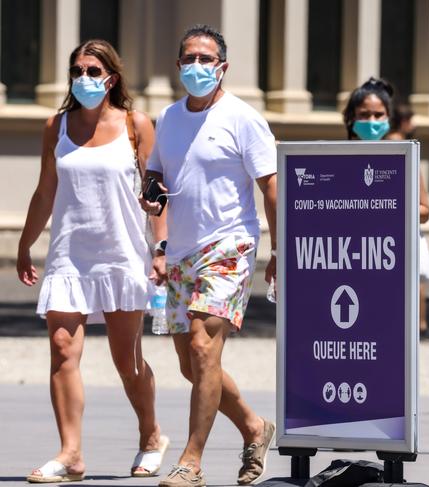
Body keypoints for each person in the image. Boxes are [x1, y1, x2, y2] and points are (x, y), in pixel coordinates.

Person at [16, 39, 167, 482]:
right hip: (69, 256)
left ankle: (151, 435)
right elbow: (46, 191)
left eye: (92, 71)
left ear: (111, 78)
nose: (84, 78)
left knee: (128, 360)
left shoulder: (136, 124)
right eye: (77, 71)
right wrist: (25, 244)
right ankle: (71, 454)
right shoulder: (56, 126)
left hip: (120, 255)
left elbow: (157, 194)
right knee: (63, 351)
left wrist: (160, 249)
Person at [140, 25, 277, 487]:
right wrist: (157, 230)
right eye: (189, 59)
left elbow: (272, 188)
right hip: (180, 249)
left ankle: (191, 461)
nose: (197, 66)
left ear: (223, 67)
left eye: (206, 58)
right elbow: (157, 175)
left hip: (230, 245)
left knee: (203, 347)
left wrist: (277, 250)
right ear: (178, 66)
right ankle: (255, 428)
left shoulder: (243, 118)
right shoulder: (170, 117)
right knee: (192, 363)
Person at [343, 79, 429, 334]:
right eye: (364, 115)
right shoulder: (334, 158)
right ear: (351, 117)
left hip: (390, 256)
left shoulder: (403, 156)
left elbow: (425, 211)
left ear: (388, 117)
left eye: (378, 114)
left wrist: (388, 207)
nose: (371, 121)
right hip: (348, 259)